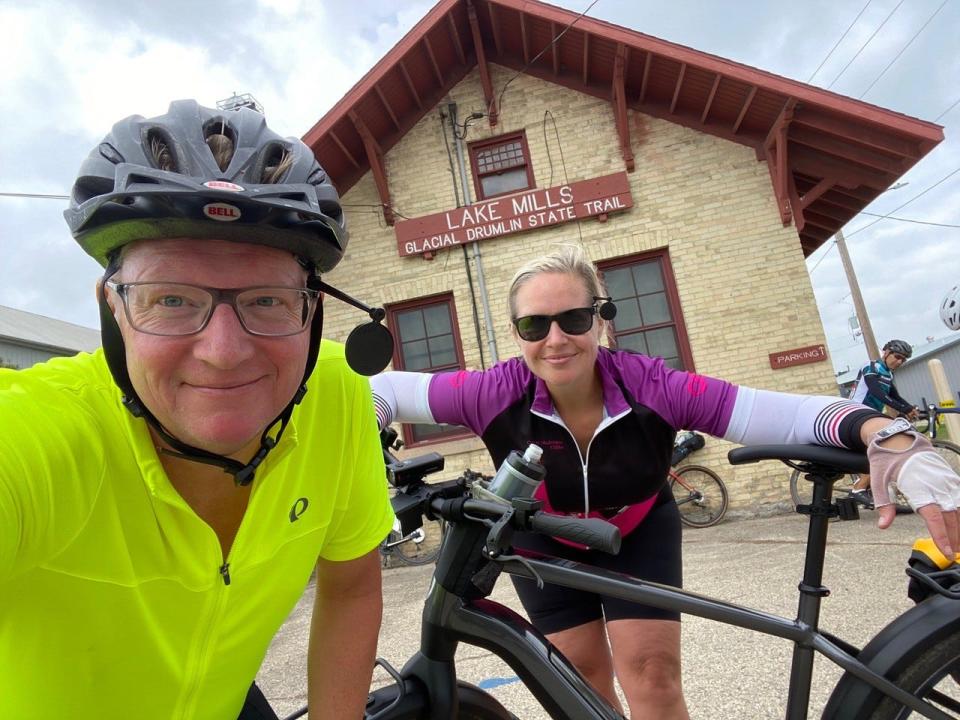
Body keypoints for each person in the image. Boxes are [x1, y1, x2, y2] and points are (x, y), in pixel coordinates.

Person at [371, 245, 960, 719]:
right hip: (539, 535)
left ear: (600, 318)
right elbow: (386, 390)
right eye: (534, 324)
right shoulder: (491, 392)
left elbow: (786, 411)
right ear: (517, 331)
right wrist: (363, 437)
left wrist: (888, 435)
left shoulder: (652, 385)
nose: (555, 339)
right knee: (575, 687)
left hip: (637, 530)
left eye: (574, 319)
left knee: (652, 677)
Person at [0, 100, 394, 719]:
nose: (224, 353)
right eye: (173, 299)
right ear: (113, 311)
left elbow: (350, 584)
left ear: (311, 313)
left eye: (267, 299)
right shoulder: (33, 436)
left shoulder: (336, 392)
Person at [847, 339, 920, 506]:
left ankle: (872, 488)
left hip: (869, 416)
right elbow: (877, 392)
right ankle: (858, 488)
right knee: (882, 450)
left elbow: (895, 396)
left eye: (903, 359)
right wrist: (901, 408)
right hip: (855, 413)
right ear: (886, 353)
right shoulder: (871, 367)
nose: (900, 361)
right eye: (897, 356)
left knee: (885, 445)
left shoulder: (888, 374)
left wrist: (909, 407)